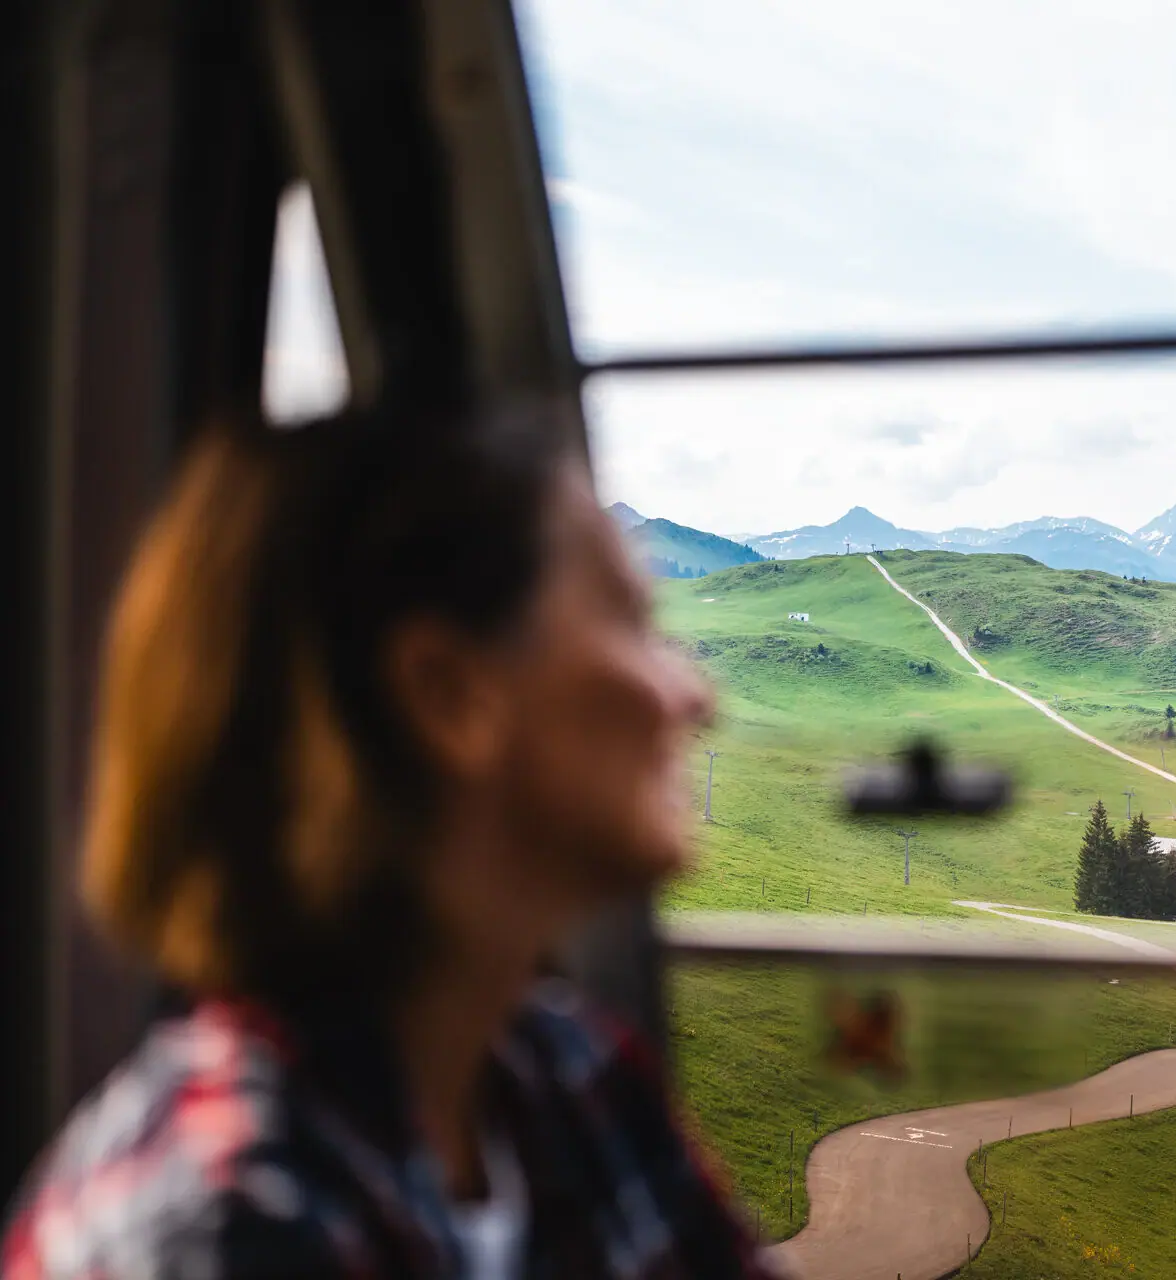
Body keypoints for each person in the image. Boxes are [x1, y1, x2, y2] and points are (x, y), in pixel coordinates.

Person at [3, 399, 779, 1278]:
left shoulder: (575, 1081)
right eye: (633, 625)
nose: (694, 696)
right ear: (449, 695)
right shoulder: (223, 1236)